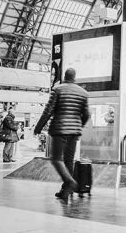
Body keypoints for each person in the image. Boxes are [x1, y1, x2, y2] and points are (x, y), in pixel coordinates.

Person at [33, 68, 90, 201]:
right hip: (74, 132)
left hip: (60, 130)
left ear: (65, 76)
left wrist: (38, 127)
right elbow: (87, 114)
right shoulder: (83, 93)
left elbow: (48, 111)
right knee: (69, 161)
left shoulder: (58, 89)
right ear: (75, 77)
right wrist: (79, 125)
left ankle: (70, 182)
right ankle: (66, 190)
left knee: (56, 159)